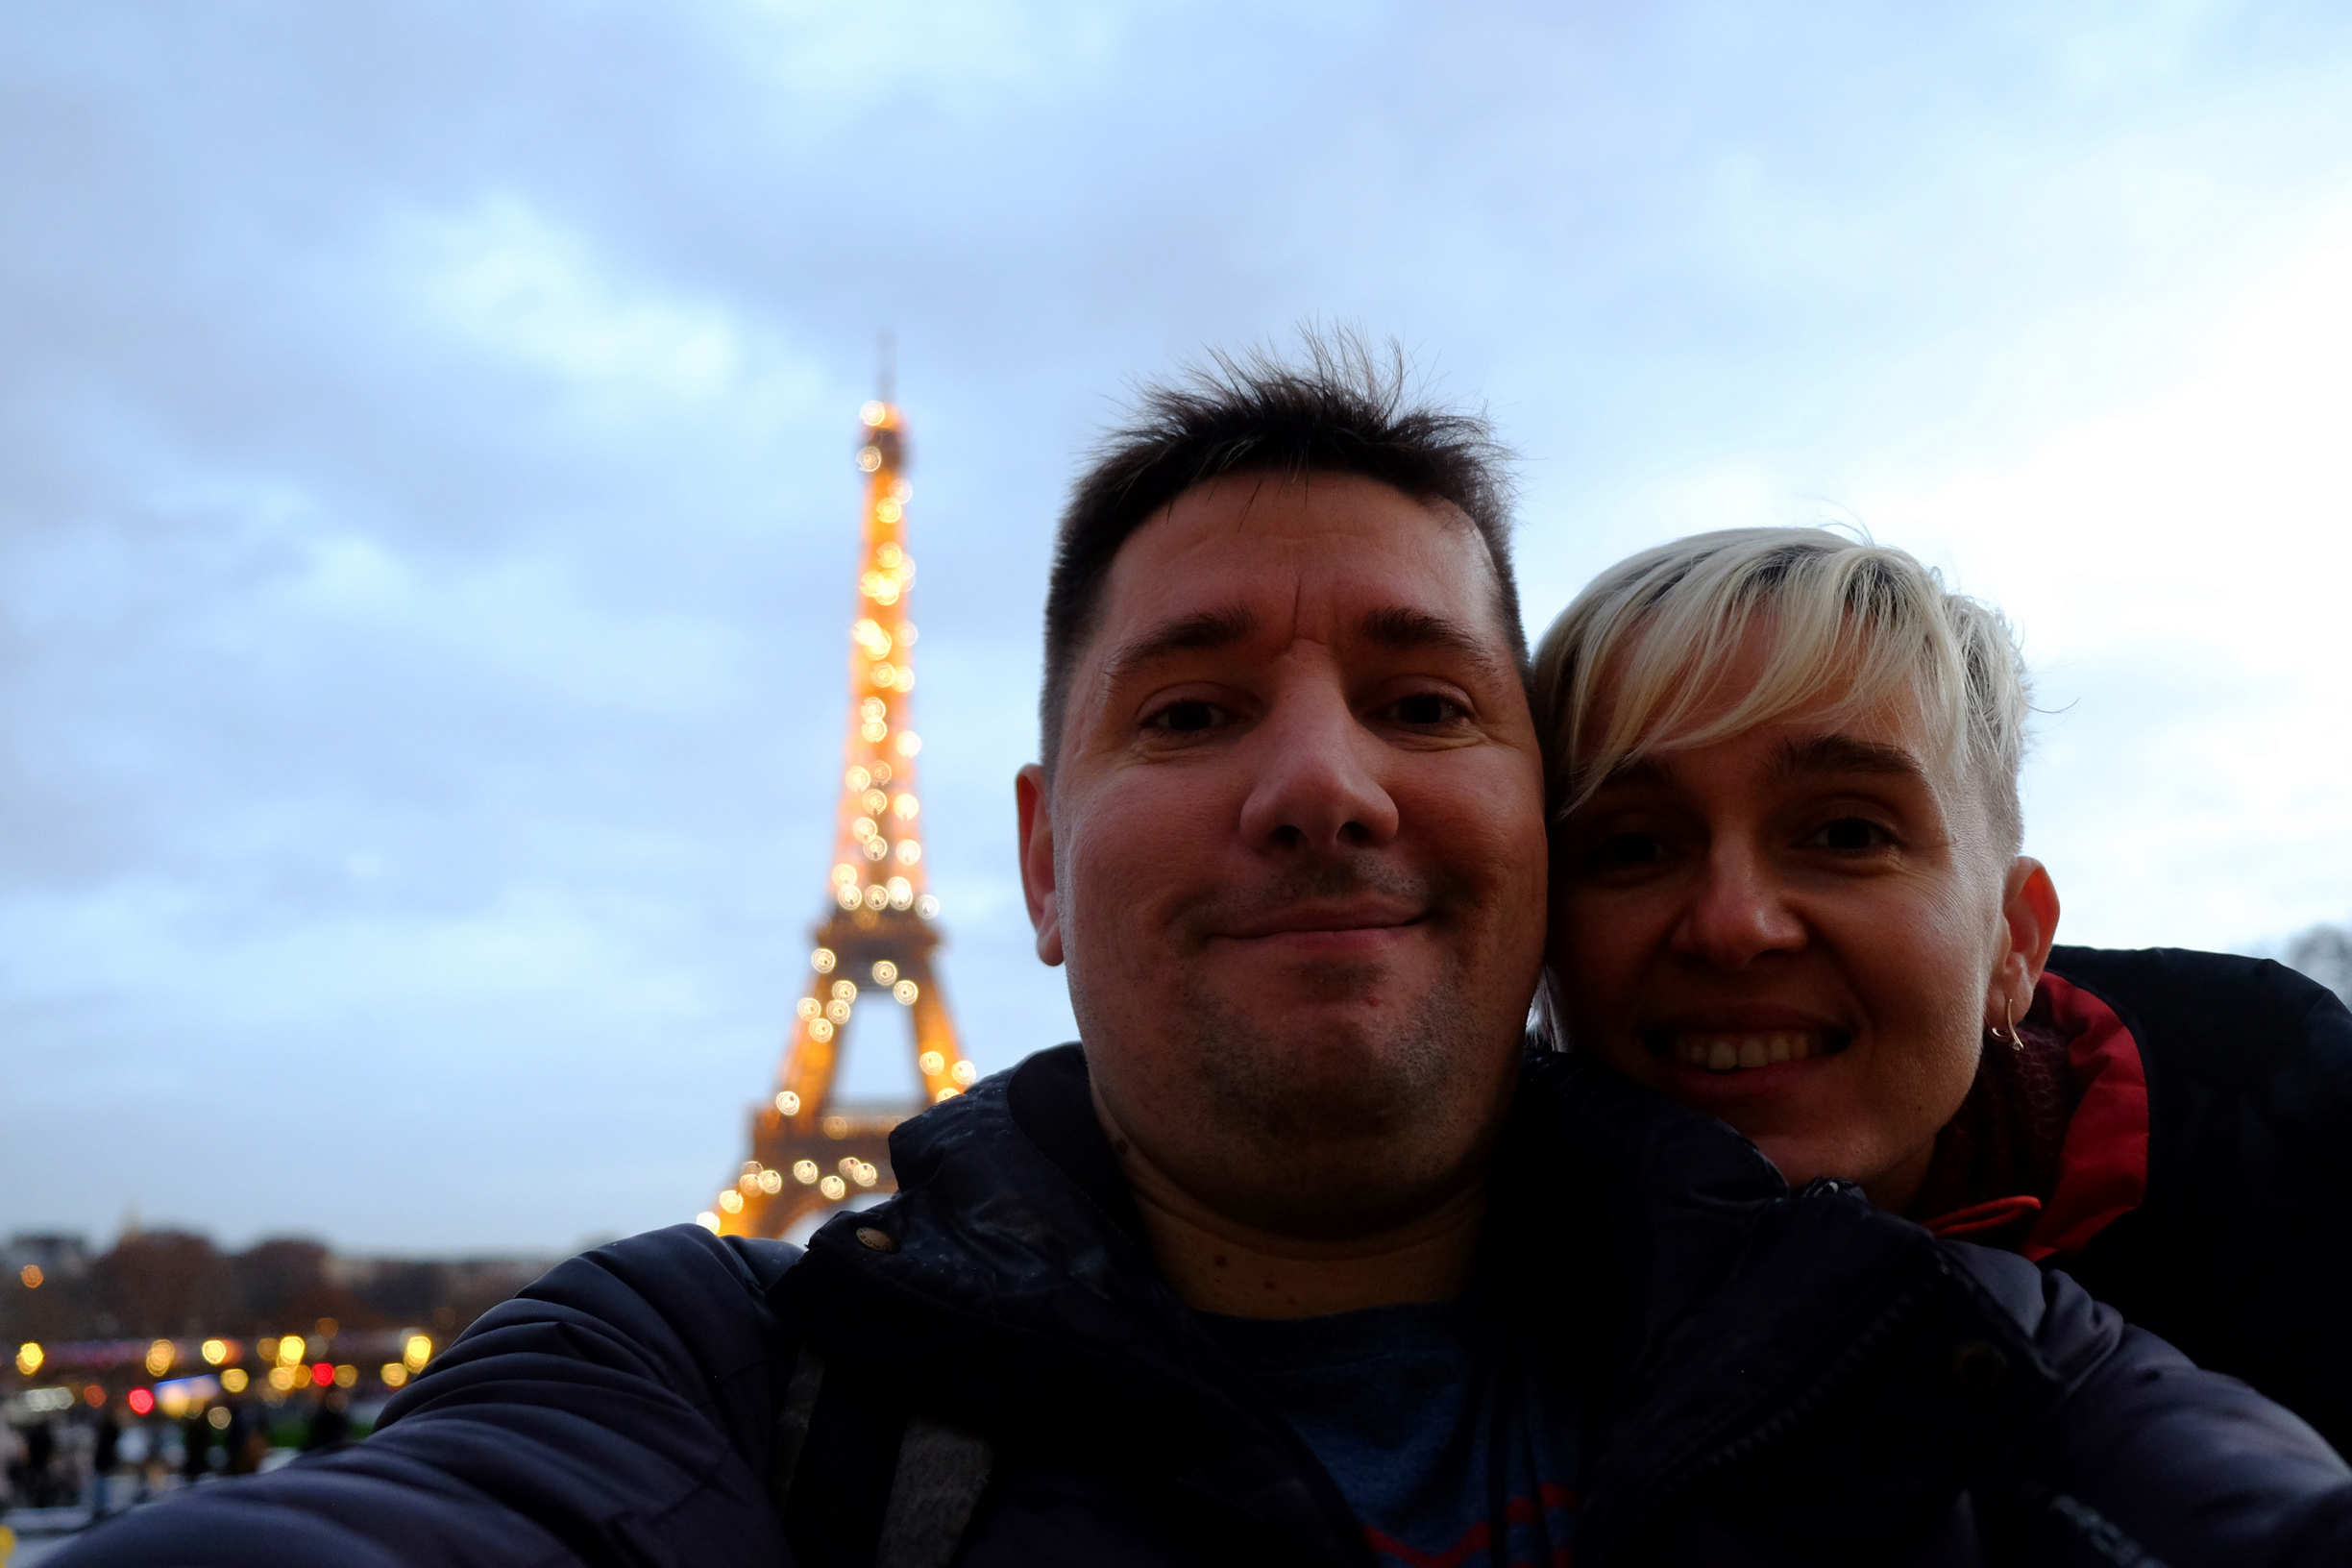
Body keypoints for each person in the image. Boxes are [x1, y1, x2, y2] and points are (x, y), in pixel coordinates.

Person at [51, 345, 2352, 1568]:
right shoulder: (703, 1375)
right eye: (1185, 710)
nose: (1321, 783)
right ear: (1036, 866)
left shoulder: (1951, 1349)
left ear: (1523, 861)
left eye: (1423, 700)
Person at [1533, 525, 2352, 1455]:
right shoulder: (1426, 1282)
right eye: (1633, 846)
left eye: (1848, 834)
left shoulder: (2309, 1196)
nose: (1734, 925)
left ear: (2014, 944)